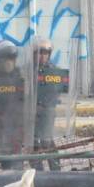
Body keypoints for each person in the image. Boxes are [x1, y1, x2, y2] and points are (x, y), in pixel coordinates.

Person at [0, 40, 28, 169]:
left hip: (17, 120)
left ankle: (17, 175)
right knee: (3, 150)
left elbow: (28, 98)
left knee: (17, 150)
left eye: (11, 58)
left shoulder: (21, 76)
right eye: (5, 59)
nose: (8, 62)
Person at [32, 37, 68, 171]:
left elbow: (55, 91)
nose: (42, 56)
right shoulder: (27, 70)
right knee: (33, 142)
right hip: (30, 111)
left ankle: (56, 170)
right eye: (39, 53)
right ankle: (37, 172)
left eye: (45, 53)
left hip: (47, 110)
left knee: (47, 141)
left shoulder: (54, 71)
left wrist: (44, 105)